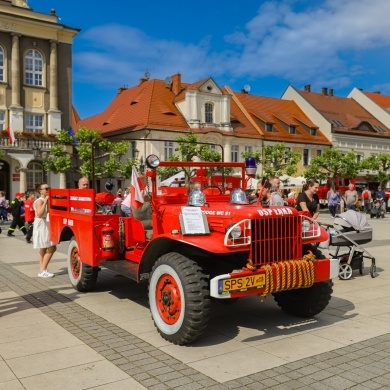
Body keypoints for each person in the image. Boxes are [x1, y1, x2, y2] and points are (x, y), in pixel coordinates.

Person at [33, 183, 56, 278]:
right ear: (40, 190)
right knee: (52, 247)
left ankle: (42, 270)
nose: (48, 189)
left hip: (44, 223)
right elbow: (39, 214)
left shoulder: (44, 199)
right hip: (41, 223)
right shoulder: (40, 201)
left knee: (43, 247)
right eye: (46, 188)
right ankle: (43, 270)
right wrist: (46, 201)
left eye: (49, 188)